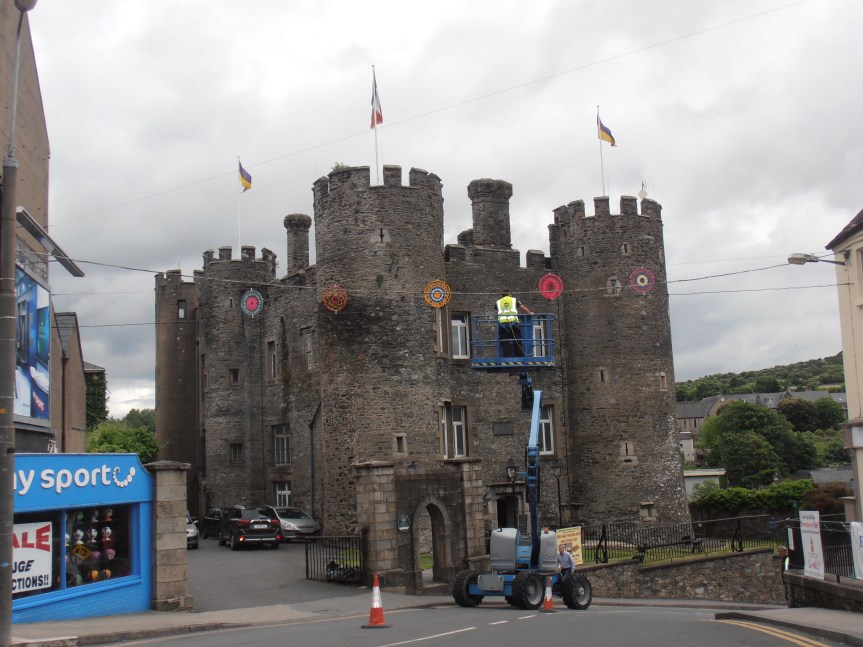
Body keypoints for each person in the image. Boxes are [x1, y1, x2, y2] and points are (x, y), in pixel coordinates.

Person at [496, 291, 532, 357]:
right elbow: (523, 308)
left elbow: (497, 312)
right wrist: (529, 313)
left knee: (504, 341)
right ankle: (520, 356)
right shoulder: (514, 300)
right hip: (513, 323)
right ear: (510, 294)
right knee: (517, 340)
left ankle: (506, 357)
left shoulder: (498, 302)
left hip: (502, 324)